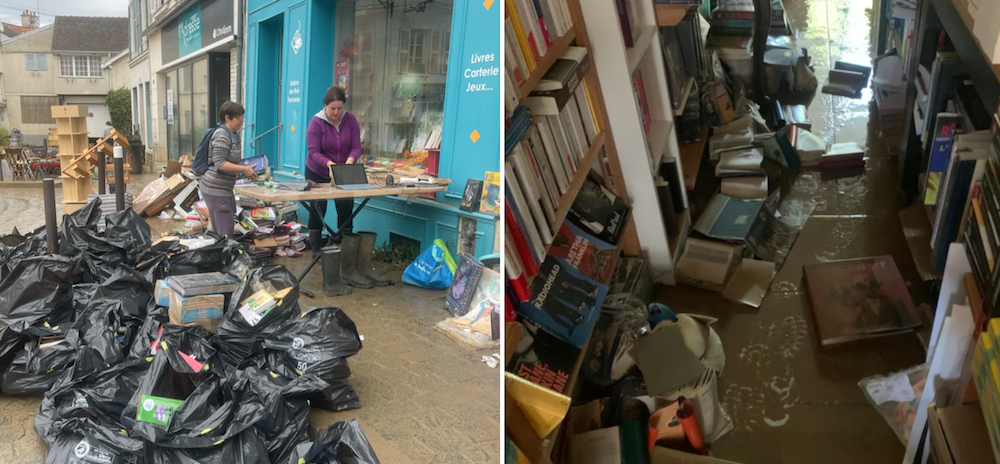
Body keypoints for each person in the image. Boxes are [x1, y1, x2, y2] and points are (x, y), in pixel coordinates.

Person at [305, 86, 362, 252]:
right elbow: (314, 151)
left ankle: (346, 251)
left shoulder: (351, 120)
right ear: (325, 106)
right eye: (332, 109)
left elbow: (357, 147)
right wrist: (329, 164)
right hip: (317, 171)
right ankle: (316, 252)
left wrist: (350, 162)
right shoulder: (316, 123)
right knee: (318, 210)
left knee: (345, 208)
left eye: (339, 108)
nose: (336, 112)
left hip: (343, 171)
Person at [199, 101, 258, 238]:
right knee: (225, 233)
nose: (242, 120)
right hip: (215, 188)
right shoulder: (222, 135)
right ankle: (224, 258)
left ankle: (215, 255)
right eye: (238, 117)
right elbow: (220, 164)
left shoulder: (234, 134)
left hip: (224, 189)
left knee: (223, 226)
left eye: (242, 117)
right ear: (227, 118)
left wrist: (248, 169)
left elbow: (231, 161)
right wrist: (244, 169)